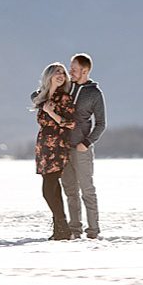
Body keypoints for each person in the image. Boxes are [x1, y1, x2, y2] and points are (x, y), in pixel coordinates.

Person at [61, 53, 107, 239]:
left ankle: (93, 231)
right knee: (70, 191)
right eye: (70, 68)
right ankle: (75, 229)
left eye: (74, 69)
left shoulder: (95, 94)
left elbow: (101, 124)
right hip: (63, 148)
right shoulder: (65, 87)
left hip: (82, 149)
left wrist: (86, 143)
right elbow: (38, 93)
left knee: (87, 190)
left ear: (85, 71)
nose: (70, 71)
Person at [32, 62, 77, 240]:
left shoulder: (64, 98)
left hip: (58, 145)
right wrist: (43, 105)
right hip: (43, 146)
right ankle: (59, 230)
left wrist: (51, 113)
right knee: (53, 187)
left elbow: (70, 123)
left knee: (48, 189)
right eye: (57, 72)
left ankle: (63, 226)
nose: (61, 75)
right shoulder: (42, 98)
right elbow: (34, 96)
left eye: (63, 73)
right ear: (49, 75)